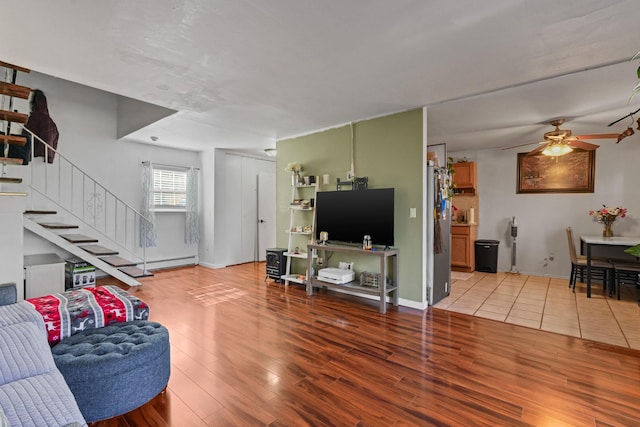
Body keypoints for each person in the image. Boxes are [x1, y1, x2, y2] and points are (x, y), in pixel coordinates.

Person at [25, 89, 59, 163]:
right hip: (40, 153)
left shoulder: (39, 119)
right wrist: (50, 157)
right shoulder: (49, 120)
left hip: (36, 153)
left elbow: (48, 136)